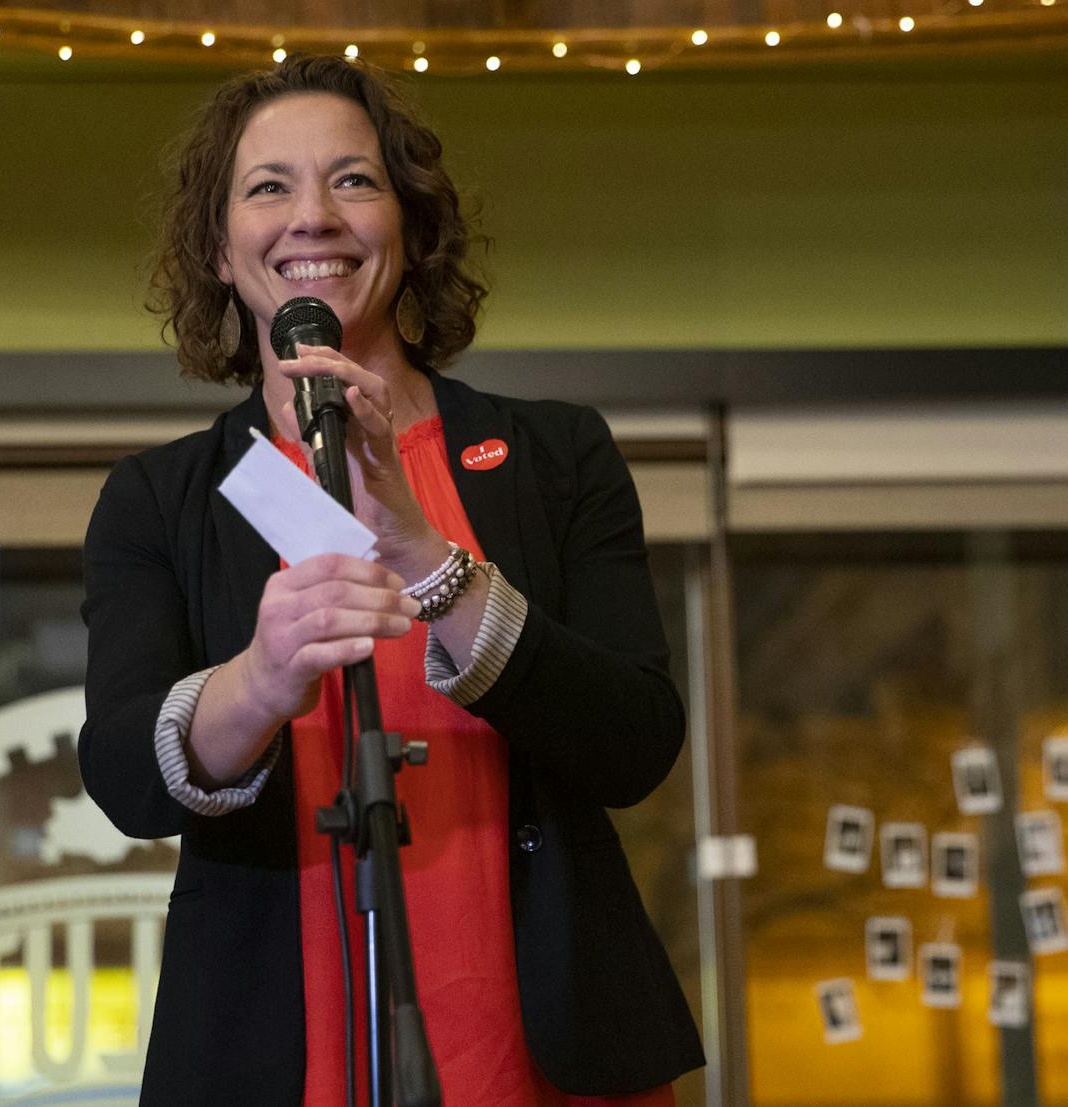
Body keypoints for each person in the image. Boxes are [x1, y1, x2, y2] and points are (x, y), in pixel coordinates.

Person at [79, 53, 702, 1106]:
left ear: (409, 232)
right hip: (277, 1057)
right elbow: (124, 777)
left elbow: (634, 741)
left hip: (545, 1053)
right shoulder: (164, 497)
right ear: (221, 253)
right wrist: (259, 682)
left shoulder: (553, 455)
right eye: (267, 186)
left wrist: (426, 557)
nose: (311, 217)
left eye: (354, 181)